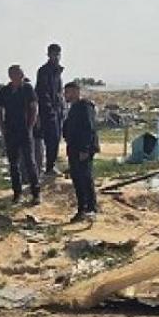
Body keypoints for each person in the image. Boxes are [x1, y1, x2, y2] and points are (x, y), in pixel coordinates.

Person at [0, 64, 40, 205]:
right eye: (17, 74)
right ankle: (17, 193)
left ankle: (35, 193)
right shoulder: (5, 91)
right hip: (10, 131)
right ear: (11, 76)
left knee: (30, 162)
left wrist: (30, 126)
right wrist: (2, 127)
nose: (20, 76)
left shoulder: (27, 89)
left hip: (24, 130)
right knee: (13, 164)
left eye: (21, 73)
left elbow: (34, 108)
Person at [62, 81, 99, 221]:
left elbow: (88, 129)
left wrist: (85, 149)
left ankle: (91, 208)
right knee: (77, 179)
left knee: (85, 178)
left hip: (83, 149)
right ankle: (81, 208)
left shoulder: (84, 107)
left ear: (76, 92)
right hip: (73, 148)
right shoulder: (73, 108)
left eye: (68, 92)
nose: (66, 95)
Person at [35, 43, 66, 176]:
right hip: (48, 111)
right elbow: (43, 92)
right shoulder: (44, 71)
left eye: (58, 54)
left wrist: (61, 107)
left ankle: (50, 165)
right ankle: (49, 167)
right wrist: (49, 110)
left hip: (57, 110)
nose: (56, 57)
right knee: (51, 139)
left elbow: (59, 92)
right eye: (54, 54)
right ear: (49, 55)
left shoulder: (57, 71)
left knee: (56, 139)